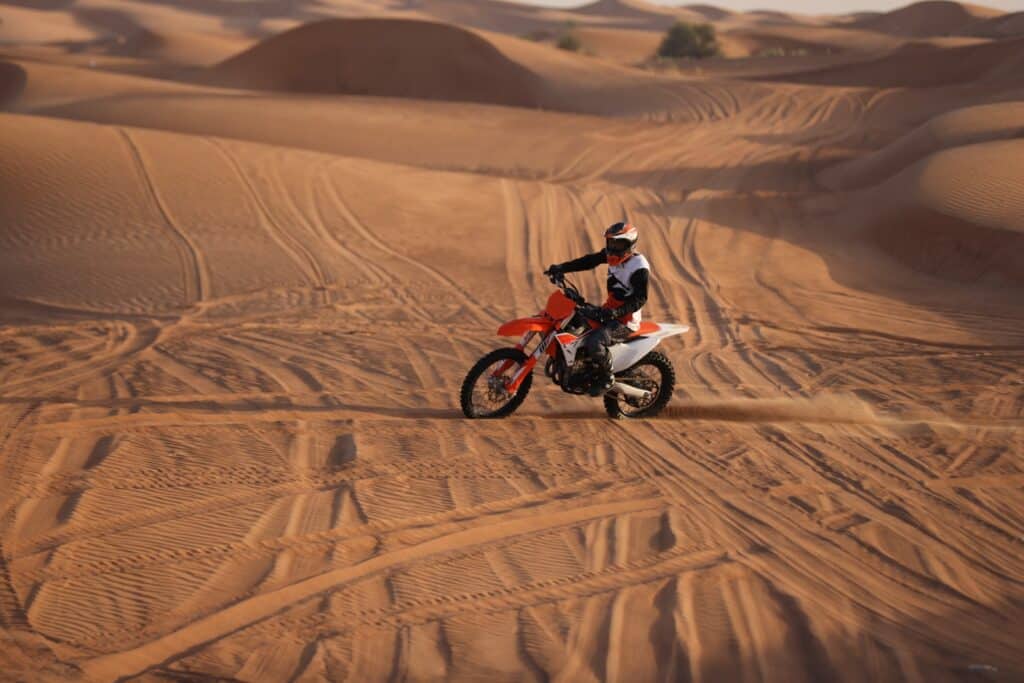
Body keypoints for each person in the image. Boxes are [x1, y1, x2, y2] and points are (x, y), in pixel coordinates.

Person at [544, 221, 650, 395]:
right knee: (573, 320)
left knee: (595, 341)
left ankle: (607, 376)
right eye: (611, 243)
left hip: (625, 321)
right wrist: (562, 267)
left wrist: (616, 312)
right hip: (607, 312)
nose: (613, 248)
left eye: (618, 244)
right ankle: (577, 367)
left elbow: (640, 298)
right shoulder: (611, 255)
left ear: (630, 245)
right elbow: (589, 261)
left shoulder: (639, 266)